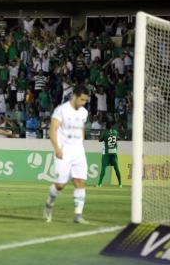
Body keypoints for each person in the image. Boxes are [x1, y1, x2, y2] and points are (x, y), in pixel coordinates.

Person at [44, 85, 90, 224]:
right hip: (64, 151)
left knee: (80, 182)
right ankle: (49, 204)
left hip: (78, 151)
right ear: (74, 96)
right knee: (60, 185)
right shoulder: (61, 110)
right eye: (81, 99)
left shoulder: (84, 112)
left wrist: (81, 144)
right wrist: (57, 148)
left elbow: (81, 129)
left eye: (85, 101)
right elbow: (52, 131)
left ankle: (78, 215)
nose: (83, 103)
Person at [97, 121, 122, 187]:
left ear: (106, 127)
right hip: (114, 152)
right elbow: (118, 138)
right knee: (116, 168)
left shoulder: (105, 133)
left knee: (103, 168)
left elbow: (100, 140)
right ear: (111, 126)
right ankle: (120, 184)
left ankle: (99, 184)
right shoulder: (115, 132)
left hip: (107, 153)